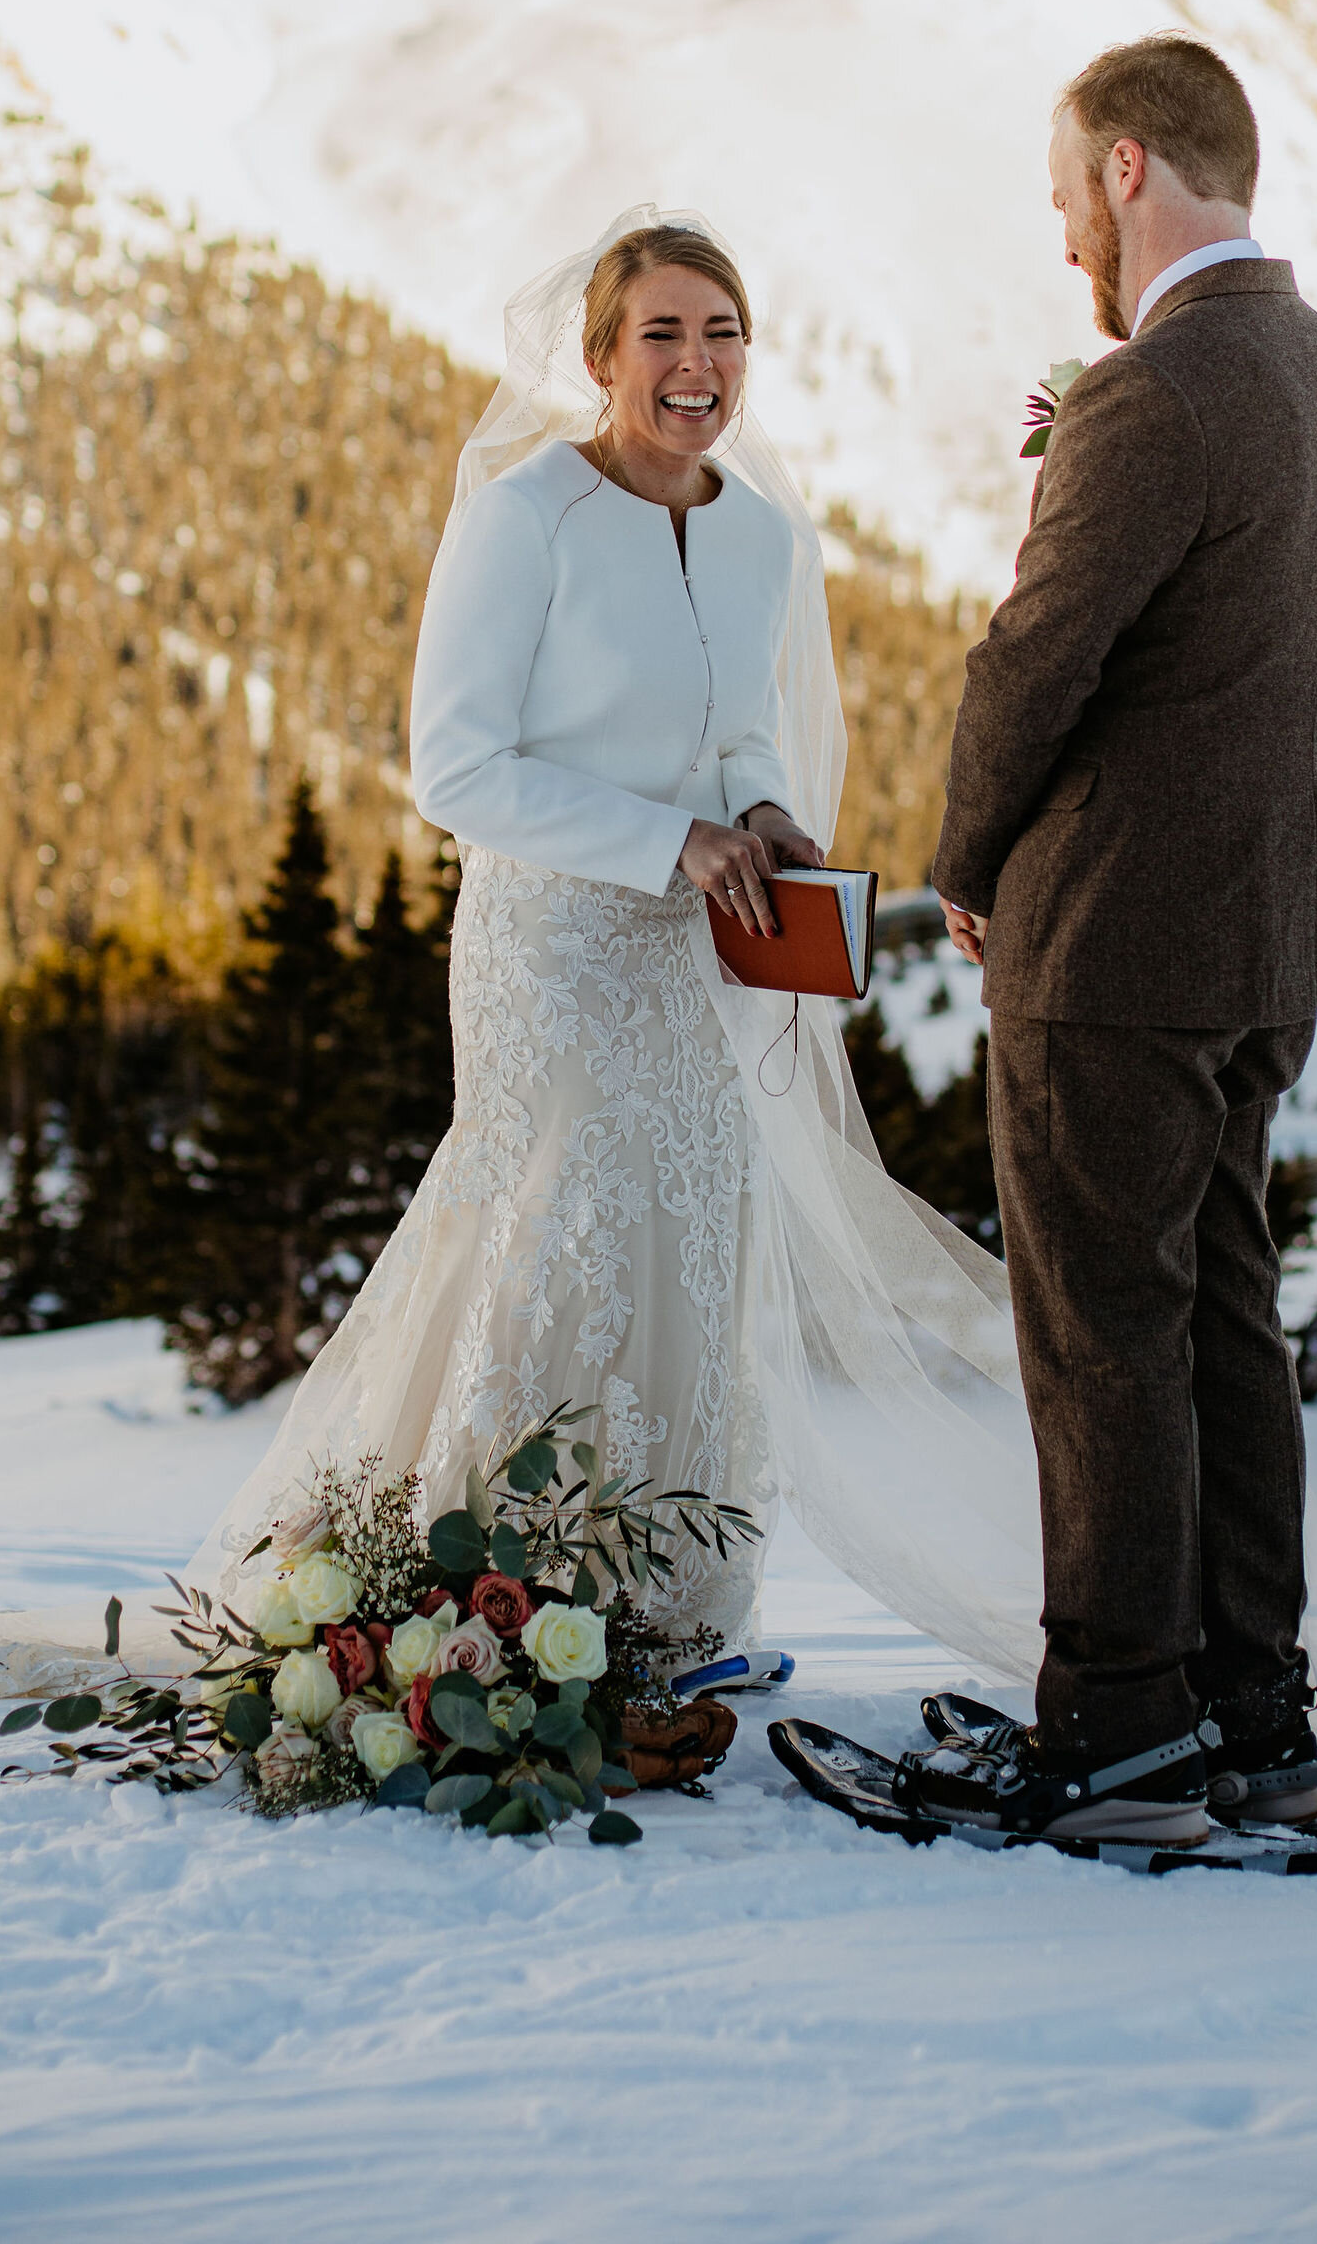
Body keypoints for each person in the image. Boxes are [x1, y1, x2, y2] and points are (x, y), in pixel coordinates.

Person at [185, 207, 1048, 1675]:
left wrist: (766, 811)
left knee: (695, 1252)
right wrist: (670, 843)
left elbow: (747, 728)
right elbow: (455, 771)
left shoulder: (767, 533)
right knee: (557, 1247)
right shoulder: (524, 516)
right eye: (662, 332)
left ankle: (675, 1611)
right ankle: (491, 1602)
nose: (697, 364)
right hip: (560, 954)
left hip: (703, 959)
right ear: (599, 356)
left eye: (722, 332)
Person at [932, 34, 1317, 1844]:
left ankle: (1119, 1723)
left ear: (1130, 171)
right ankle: (1249, 1708)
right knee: (1222, 1314)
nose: (1069, 247)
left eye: (1068, 200)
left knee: (1100, 1331)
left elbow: (1033, 662)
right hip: (1265, 927)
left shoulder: (1158, 390)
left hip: (1115, 932)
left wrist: (967, 859)